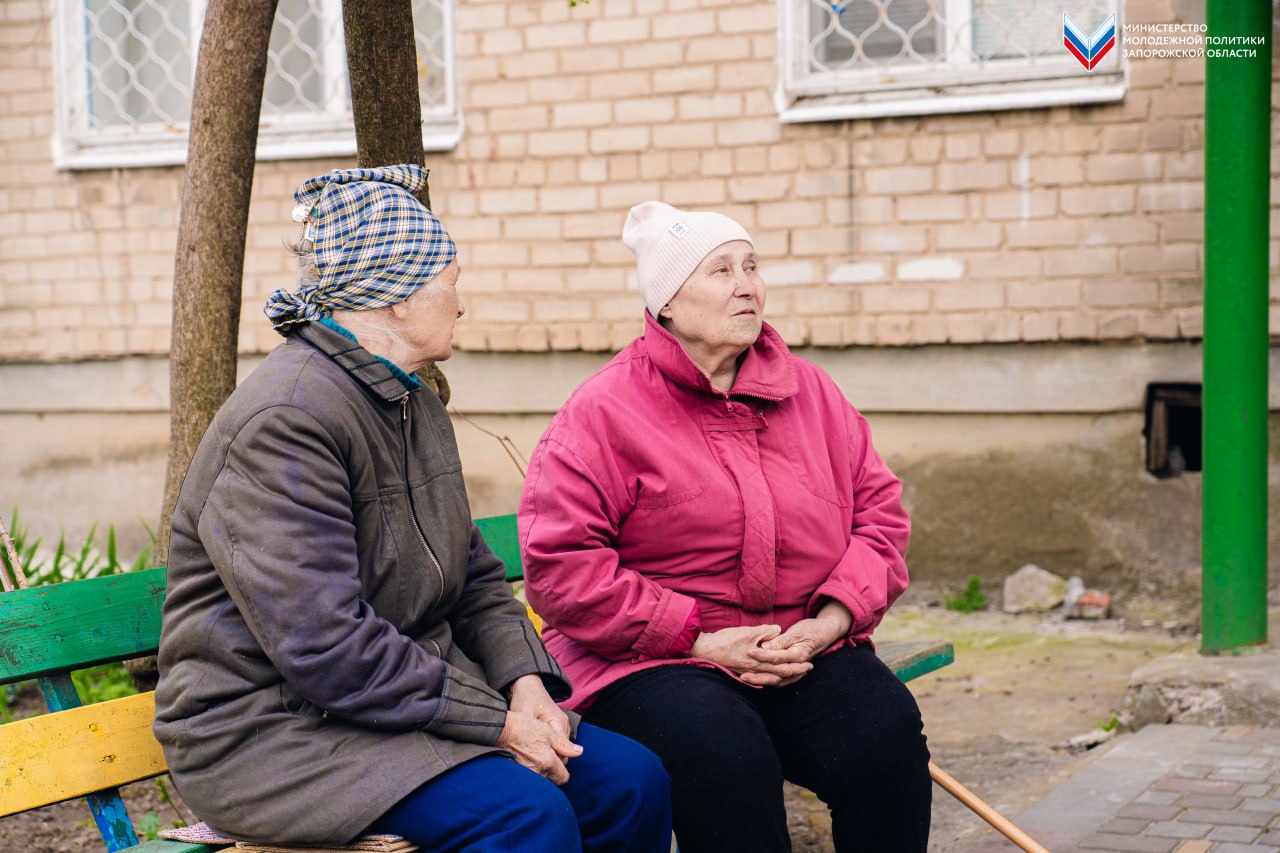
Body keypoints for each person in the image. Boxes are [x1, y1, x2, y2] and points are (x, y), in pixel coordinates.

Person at [153, 165, 672, 853]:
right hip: (275, 734)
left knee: (632, 779)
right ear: (395, 298)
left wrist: (526, 687)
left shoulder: (412, 401)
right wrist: (496, 721)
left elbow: (476, 577)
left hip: (397, 710)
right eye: (450, 280)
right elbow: (327, 647)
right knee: (526, 815)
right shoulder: (284, 421)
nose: (461, 303)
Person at [519, 201, 931, 852]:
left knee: (881, 733)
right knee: (724, 754)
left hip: (800, 645)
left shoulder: (814, 394)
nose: (747, 284)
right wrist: (701, 639)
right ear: (668, 305)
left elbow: (879, 515)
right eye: (720, 270)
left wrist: (827, 623)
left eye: (752, 266)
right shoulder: (603, 412)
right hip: (654, 659)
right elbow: (562, 568)